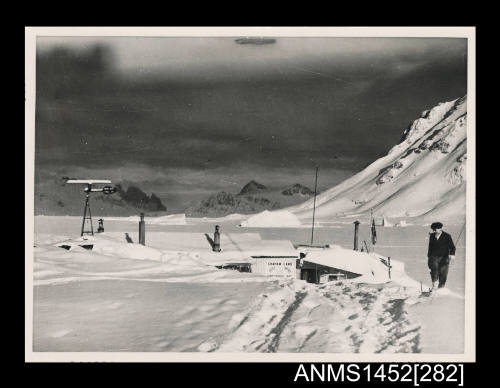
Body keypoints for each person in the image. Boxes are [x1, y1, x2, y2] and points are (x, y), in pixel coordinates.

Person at [427, 222, 456, 290]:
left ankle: (441, 287)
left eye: (435, 229)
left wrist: (452, 254)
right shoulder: (432, 236)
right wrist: (429, 256)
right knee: (434, 271)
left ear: (440, 228)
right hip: (433, 257)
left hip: (444, 257)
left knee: (443, 273)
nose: (434, 231)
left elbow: (452, 247)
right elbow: (430, 247)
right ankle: (434, 285)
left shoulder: (447, 236)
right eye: (433, 229)